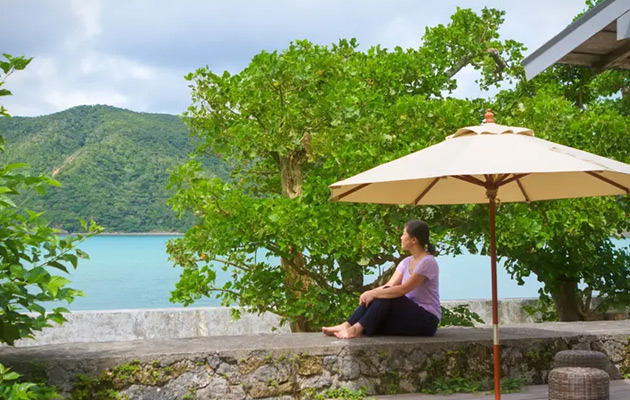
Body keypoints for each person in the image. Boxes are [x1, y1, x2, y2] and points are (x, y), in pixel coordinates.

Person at [322, 220, 440, 339]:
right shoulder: (405, 262)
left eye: (404, 234)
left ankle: (356, 329)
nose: (401, 237)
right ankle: (348, 324)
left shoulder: (427, 262)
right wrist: (369, 294)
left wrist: (374, 293)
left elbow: (402, 290)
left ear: (414, 240)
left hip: (426, 320)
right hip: (407, 315)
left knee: (387, 295)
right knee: (379, 304)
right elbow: (388, 285)